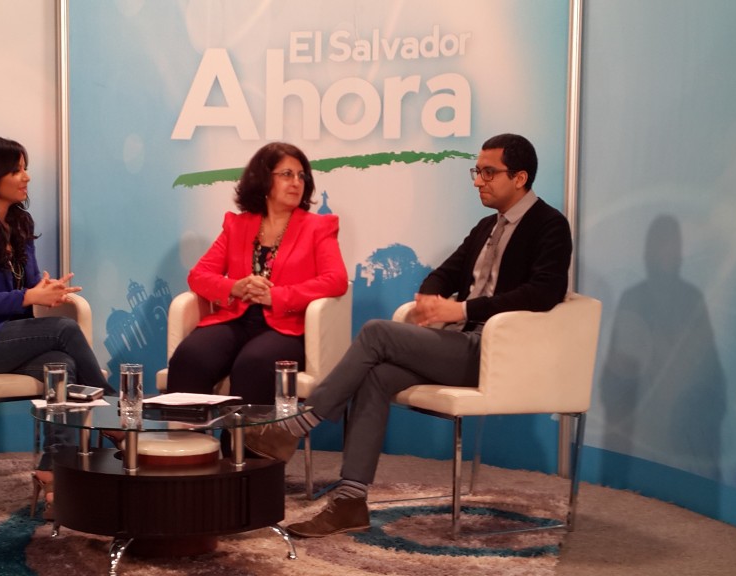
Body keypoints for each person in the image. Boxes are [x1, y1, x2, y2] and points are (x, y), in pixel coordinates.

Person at [244, 133, 573, 537]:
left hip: (499, 351)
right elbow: (445, 273)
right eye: (477, 171)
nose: (478, 181)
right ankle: (350, 501)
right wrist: (431, 298)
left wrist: (462, 310)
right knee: (378, 375)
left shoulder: (549, 225)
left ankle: (297, 425)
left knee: (376, 333)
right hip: (463, 344)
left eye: (489, 172)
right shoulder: (487, 226)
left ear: (519, 178)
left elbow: (543, 292)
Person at [0, 135, 113, 516]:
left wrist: (46, 290)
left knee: (61, 367)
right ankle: (115, 414)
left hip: (15, 338)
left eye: (25, 168)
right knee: (63, 331)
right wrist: (28, 297)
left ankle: (53, 472)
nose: (26, 177)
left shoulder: (19, 221)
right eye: (16, 170)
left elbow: (28, 285)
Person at [166, 142, 349, 404]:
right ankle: (189, 432)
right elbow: (199, 275)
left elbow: (336, 280)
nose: (296, 182)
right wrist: (234, 287)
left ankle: (245, 434)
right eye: (287, 174)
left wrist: (278, 296)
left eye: (302, 176)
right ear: (264, 179)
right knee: (190, 357)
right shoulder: (237, 225)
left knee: (253, 365)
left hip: (286, 327)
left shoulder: (318, 227)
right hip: (236, 319)